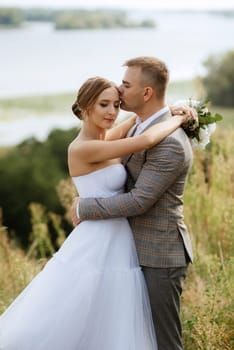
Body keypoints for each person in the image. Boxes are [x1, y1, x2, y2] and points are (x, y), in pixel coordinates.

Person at [0, 75, 192, 349]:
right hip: (96, 240)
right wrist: (178, 120)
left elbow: (134, 125)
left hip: (120, 239)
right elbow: (147, 138)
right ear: (86, 106)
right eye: (104, 105)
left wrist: (167, 111)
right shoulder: (83, 148)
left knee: (113, 318)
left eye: (116, 104)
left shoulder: (104, 139)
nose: (112, 112)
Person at [71, 57, 194, 350]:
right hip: (123, 249)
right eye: (106, 102)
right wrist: (174, 113)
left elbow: (138, 201)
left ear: (147, 93)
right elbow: (140, 134)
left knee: (163, 341)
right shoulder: (132, 128)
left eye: (125, 86)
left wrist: (82, 207)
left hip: (159, 256)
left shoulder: (171, 143)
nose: (119, 91)